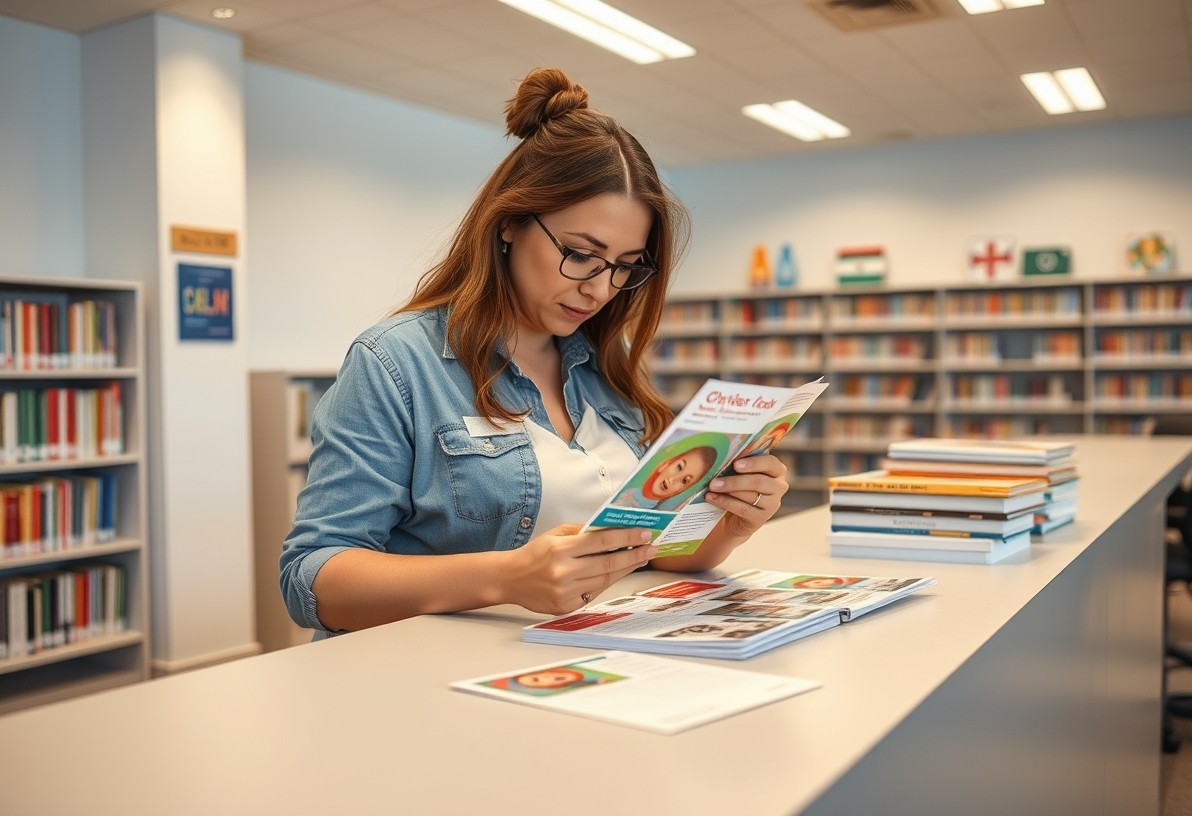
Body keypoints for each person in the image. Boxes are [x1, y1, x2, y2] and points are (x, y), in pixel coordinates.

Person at [279, 67, 791, 639]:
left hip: (581, 664)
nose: (599, 288)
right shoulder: (396, 364)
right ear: (511, 224)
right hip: (432, 684)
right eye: (580, 254)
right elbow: (312, 580)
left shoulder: (603, 368)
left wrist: (733, 521)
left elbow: (650, 553)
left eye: (625, 267)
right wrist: (505, 578)